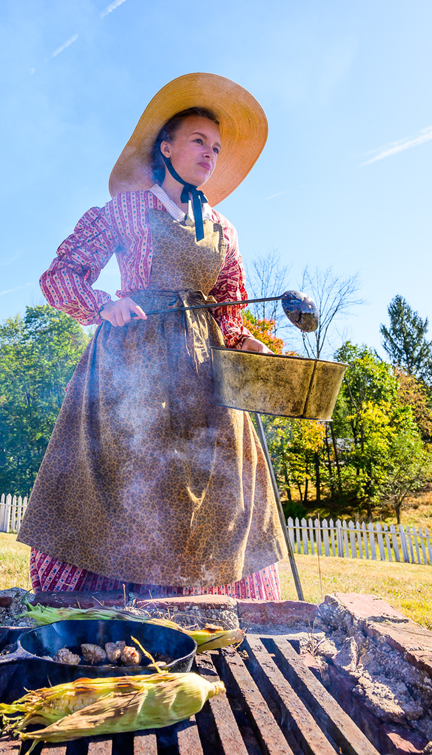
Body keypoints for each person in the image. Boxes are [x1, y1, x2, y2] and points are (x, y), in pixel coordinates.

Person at [17, 73, 287, 599]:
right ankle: (103, 605)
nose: (209, 153)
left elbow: (230, 310)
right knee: (125, 481)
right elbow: (60, 276)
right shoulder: (124, 211)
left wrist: (247, 341)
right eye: (197, 141)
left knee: (220, 485)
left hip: (205, 375)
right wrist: (103, 303)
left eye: (215, 146)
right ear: (166, 148)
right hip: (129, 368)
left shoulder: (224, 231)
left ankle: (204, 609)